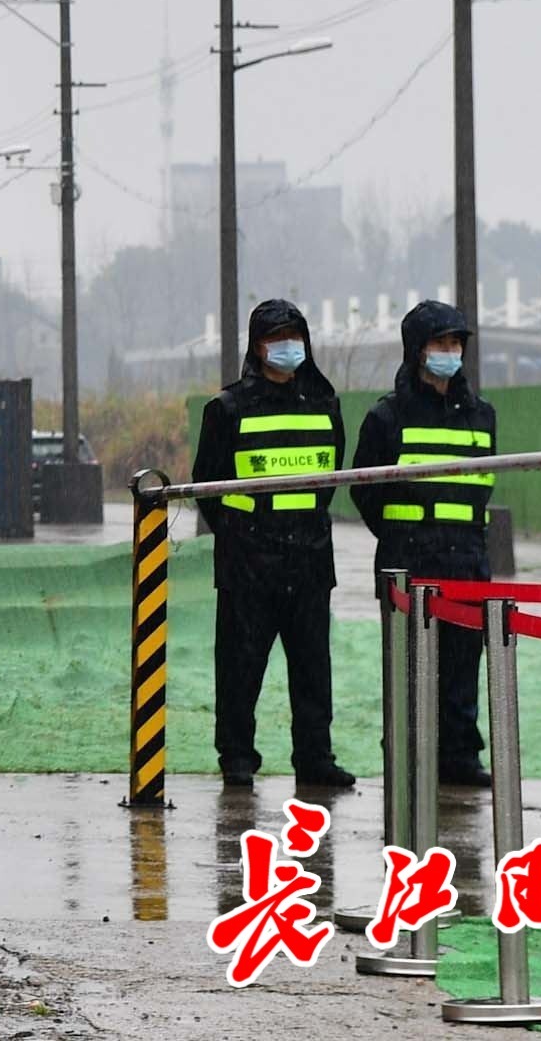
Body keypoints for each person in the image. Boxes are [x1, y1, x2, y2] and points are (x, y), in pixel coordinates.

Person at [193, 298, 357, 790]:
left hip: (308, 559)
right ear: (257, 346)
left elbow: (328, 480)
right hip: (248, 562)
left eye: (294, 337)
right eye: (276, 338)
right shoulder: (227, 408)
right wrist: (245, 535)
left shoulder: (325, 404)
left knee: (312, 669)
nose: (287, 347)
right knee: (240, 668)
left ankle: (315, 758)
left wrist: (299, 530)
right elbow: (208, 486)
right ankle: (237, 758)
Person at [352, 299, 495, 786]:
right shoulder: (386, 418)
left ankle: (459, 757)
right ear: (417, 351)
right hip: (408, 561)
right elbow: (364, 491)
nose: (449, 353)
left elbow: (483, 487)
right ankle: (409, 755)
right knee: (411, 670)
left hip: (467, 560)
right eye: (440, 344)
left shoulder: (482, 416)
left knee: (461, 670)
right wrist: (405, 536)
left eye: (456, 344)